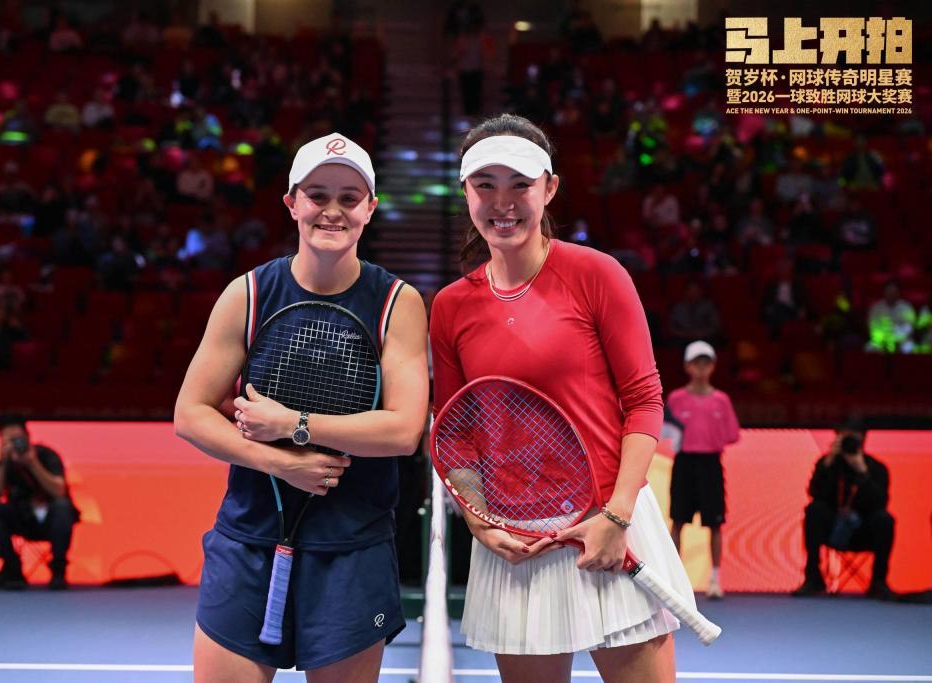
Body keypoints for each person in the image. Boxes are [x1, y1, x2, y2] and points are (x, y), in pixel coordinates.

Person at [430, 114, 695, 683]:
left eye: (520, 184)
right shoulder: (450, 306)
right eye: (485, 185)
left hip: (607, 523)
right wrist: (477, 520)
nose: (503, 202)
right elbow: (454, 431)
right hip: (515, 542)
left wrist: (616, 516)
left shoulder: (597, 274)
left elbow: (644, 400)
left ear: (549, 189)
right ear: (465, 192)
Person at [174, 132, 428, 682]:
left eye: (349, 197)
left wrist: (294, 425)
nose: (332, 210)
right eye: (317, 195)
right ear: (291, 203)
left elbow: (404, 430)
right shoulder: (247, 294)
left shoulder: (397, 303)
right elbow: (190, 413)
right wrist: (279, 461)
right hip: (248, 539)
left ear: (370, 208)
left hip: (352, 547)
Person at [667, 340, 740, 600]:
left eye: (705, 363)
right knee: (678, 520)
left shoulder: (721, 400)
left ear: (713, 366)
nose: (701, 368)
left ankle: (715, 580)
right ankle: (674, 581)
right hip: (684, 463)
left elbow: (732, 434)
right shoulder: (675, 399)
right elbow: (665, 431)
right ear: (687, 366)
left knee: (715, 523)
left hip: (711, 464)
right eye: (696, 363)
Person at [792, 418, 895, 600]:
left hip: (863, 530)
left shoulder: (877, 468)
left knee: (885, 520)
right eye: (843, 437)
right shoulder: (827, 464)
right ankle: (813, 578)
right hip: (832, 527)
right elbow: (815, 493)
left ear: (863, 439)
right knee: (814, 510)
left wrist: (863, 472)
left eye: (852, 438)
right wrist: (829, 463)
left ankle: (879, 581)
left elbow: (880, 502)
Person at [0, 417, 78, 590]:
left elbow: (59, 491)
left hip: (52, 521)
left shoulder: (47, 455)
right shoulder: (5, 463)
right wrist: (3, 462)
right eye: (8, 440)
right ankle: (12, 569)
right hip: (22, 519)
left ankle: (58, 569)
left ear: (27, 436)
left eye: (17, 439)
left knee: (63, 507)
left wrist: (33, 463)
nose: (15, 444)